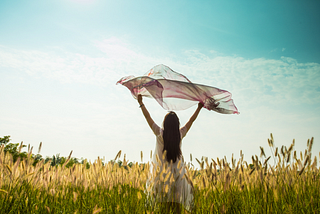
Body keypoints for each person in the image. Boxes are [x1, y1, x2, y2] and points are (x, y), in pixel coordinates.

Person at [137, 94, 203, 213]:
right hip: (178, 177)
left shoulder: (159, 134)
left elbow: (148, 117)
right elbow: (191, 120)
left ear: (165, 123)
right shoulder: (180, 135)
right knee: (177, 208)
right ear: (177, 124)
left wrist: (141, 103)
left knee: (163, 208)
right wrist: (199, 108)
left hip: (162, 178)